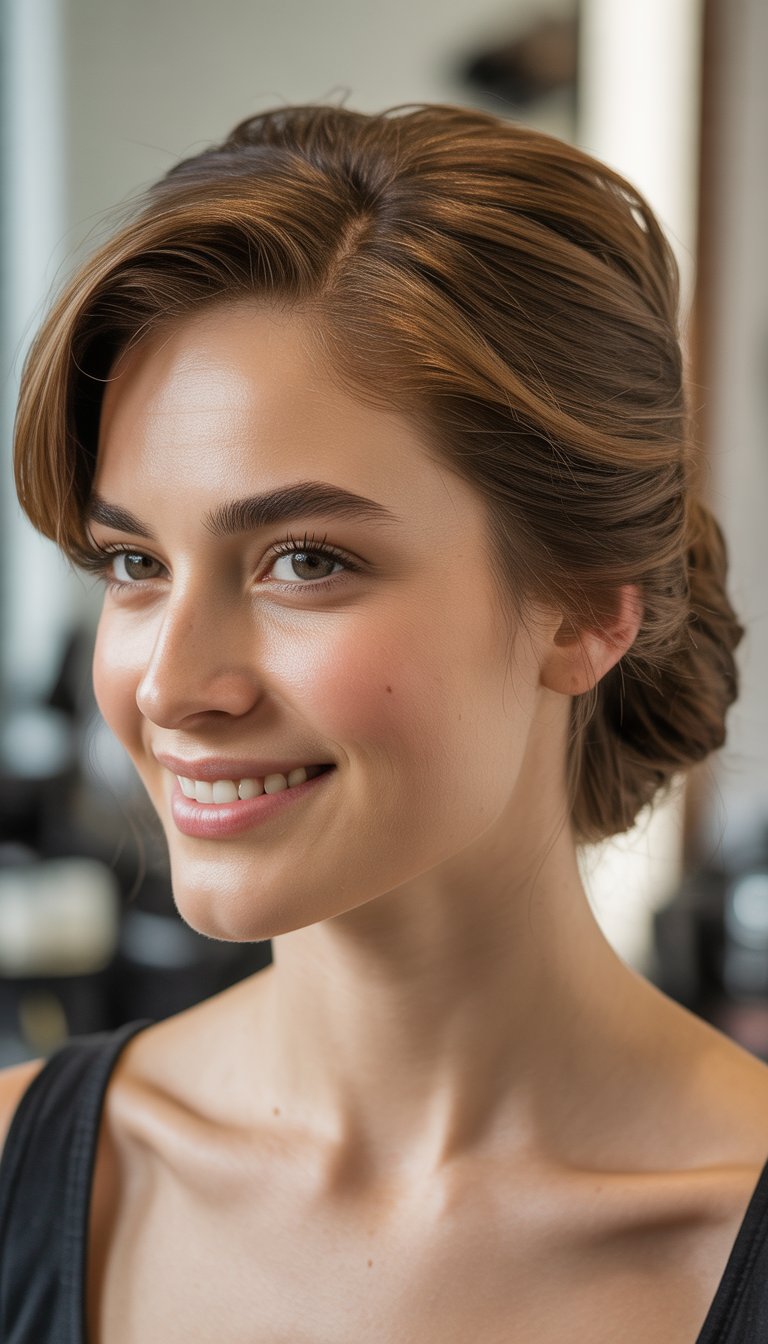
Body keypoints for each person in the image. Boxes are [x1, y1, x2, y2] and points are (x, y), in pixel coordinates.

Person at [0, 100, 765, 1344]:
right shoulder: (23, 1178)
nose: (171, 684)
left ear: (580, 612)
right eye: (134, 563)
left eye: (305, 561)